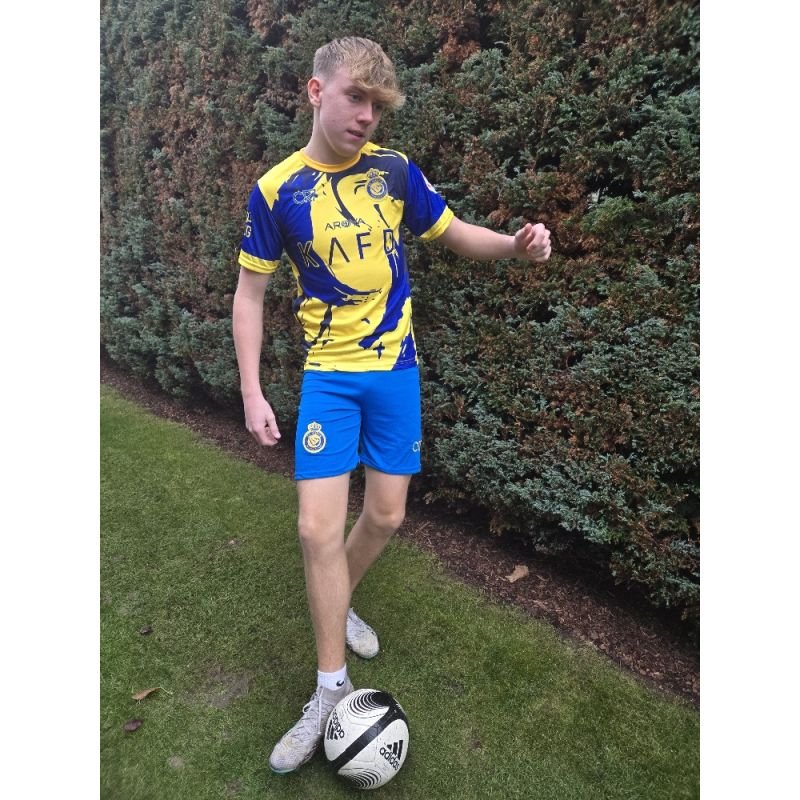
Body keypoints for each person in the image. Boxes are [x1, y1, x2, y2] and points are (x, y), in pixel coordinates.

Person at [232, 36, 551, 774]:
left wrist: (514, 245)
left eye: (377, 105)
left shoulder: (395, 173)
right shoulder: (277, 190)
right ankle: (329, 690)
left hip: (396, 372)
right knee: (316, 529)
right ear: (317, 91)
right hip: (330, 378)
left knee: (385, 516)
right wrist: (251, 389)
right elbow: (249, 295)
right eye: (355, 98)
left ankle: (339, 599)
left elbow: (456, 233)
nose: (366, 116)